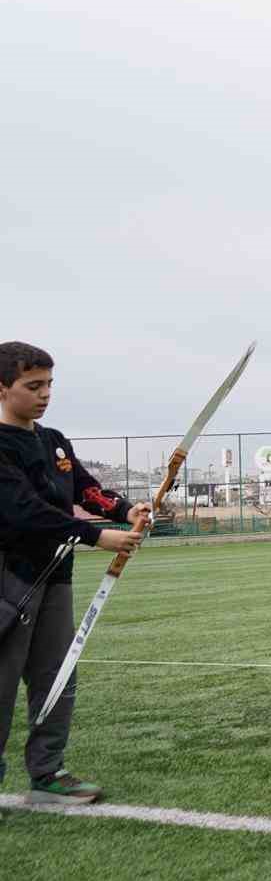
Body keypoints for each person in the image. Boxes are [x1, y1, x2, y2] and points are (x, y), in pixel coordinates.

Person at [0, 341, 148, 805]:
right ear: (2, 388)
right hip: (10, 579)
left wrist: (125, 510)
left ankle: (47, 771)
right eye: (33, 386)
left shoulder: (54, 441)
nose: (45, 394)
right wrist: (96, 537)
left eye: (49, 384)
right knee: (3, 683)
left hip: (55, 577)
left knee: (57, 676)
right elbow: (25, 511)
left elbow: (84, 488)